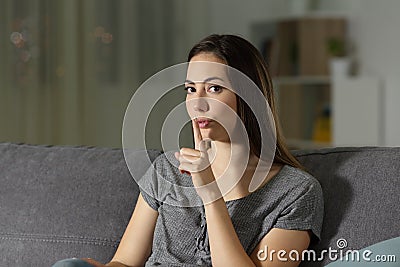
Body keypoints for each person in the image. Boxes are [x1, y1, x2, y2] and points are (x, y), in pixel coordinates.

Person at [52, 34, 324, 267]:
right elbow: (124, 261)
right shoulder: (167, 168)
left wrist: (210, 191)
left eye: (214, 88)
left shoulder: (295, 192)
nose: (197, 103)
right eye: (191, 89)